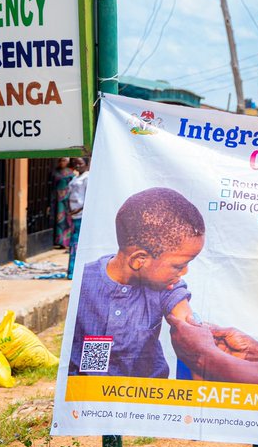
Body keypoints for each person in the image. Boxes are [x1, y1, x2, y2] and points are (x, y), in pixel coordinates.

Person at [67, 187, 204, 378]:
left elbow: (189, 329)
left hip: (147, 400)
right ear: (140, 260)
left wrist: (198, 340)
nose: (185, 272)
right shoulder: (83, 282)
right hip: (88, 398)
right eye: (178, 265)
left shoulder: (166, 286)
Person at [65, 157, 89, 279]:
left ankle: (73, 272)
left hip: (80, 215)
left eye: (81, 163)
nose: (78, 166)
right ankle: (72, 271)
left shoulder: (87, 178)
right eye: (76, 164)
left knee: (76, 243)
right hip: (73, 214)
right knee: (73, 243)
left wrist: (78, 209)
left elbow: (88, 198)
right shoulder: (75, 178)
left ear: (86, 164)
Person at [51, 157, 75, 248]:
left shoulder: (70, 173)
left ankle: (66, 241)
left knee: (67, 219)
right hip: (57, 199)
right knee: (58, 219)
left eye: (64, 160)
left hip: (67, 198)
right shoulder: (55, 172)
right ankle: (58, 240)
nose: (62, 162)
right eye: (60, 160)